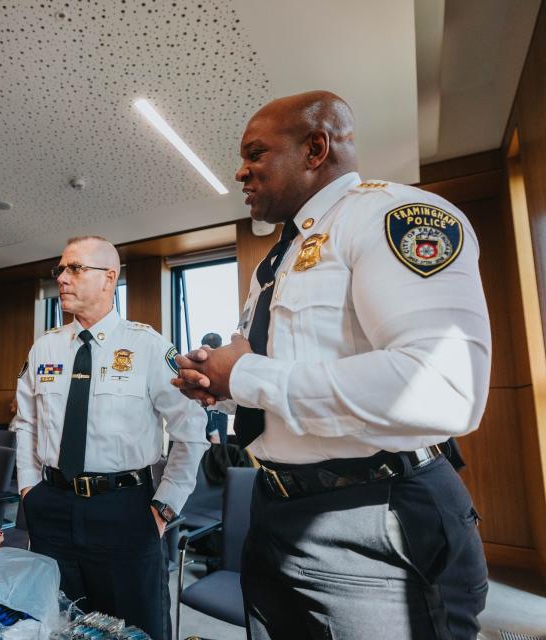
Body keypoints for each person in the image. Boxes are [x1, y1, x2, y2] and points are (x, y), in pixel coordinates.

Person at [174, 91, 490, 639]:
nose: (240, 171)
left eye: (255, 154)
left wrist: (246, 375)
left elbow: (447, 387)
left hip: (374, 522)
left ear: (315, 148)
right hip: (275, 510)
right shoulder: (277, 261)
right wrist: (220, 385)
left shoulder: (390, 214)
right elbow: (284, 380)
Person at [13, 235, 209, 639]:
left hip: (125, 510)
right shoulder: (45, 348)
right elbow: (27, 424)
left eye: (75, 269)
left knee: (136, 627)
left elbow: (192, 433)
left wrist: (165, 507)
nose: (62, 278)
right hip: (52, 507)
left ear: (109, 278)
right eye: (60, 269)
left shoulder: (148, 346)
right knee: (61, 624)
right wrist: (30, 490)